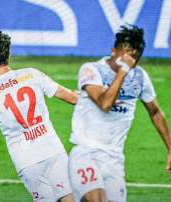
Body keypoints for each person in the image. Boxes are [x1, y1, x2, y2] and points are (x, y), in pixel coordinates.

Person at [0, 31, 77, 202]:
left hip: (27, 162)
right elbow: (72, 98)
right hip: (54, 151)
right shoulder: (32, 74)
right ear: (9, 54)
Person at [68, 24, 171, 202]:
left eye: (135, 58)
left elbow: (154, 111)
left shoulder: (140, 77)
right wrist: (123, 72)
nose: (130, 62)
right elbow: (105, 104)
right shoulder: (91, 70)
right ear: (113, 50)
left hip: (114, 160)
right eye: (126, 56)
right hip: (86, 153)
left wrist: (170, 148)